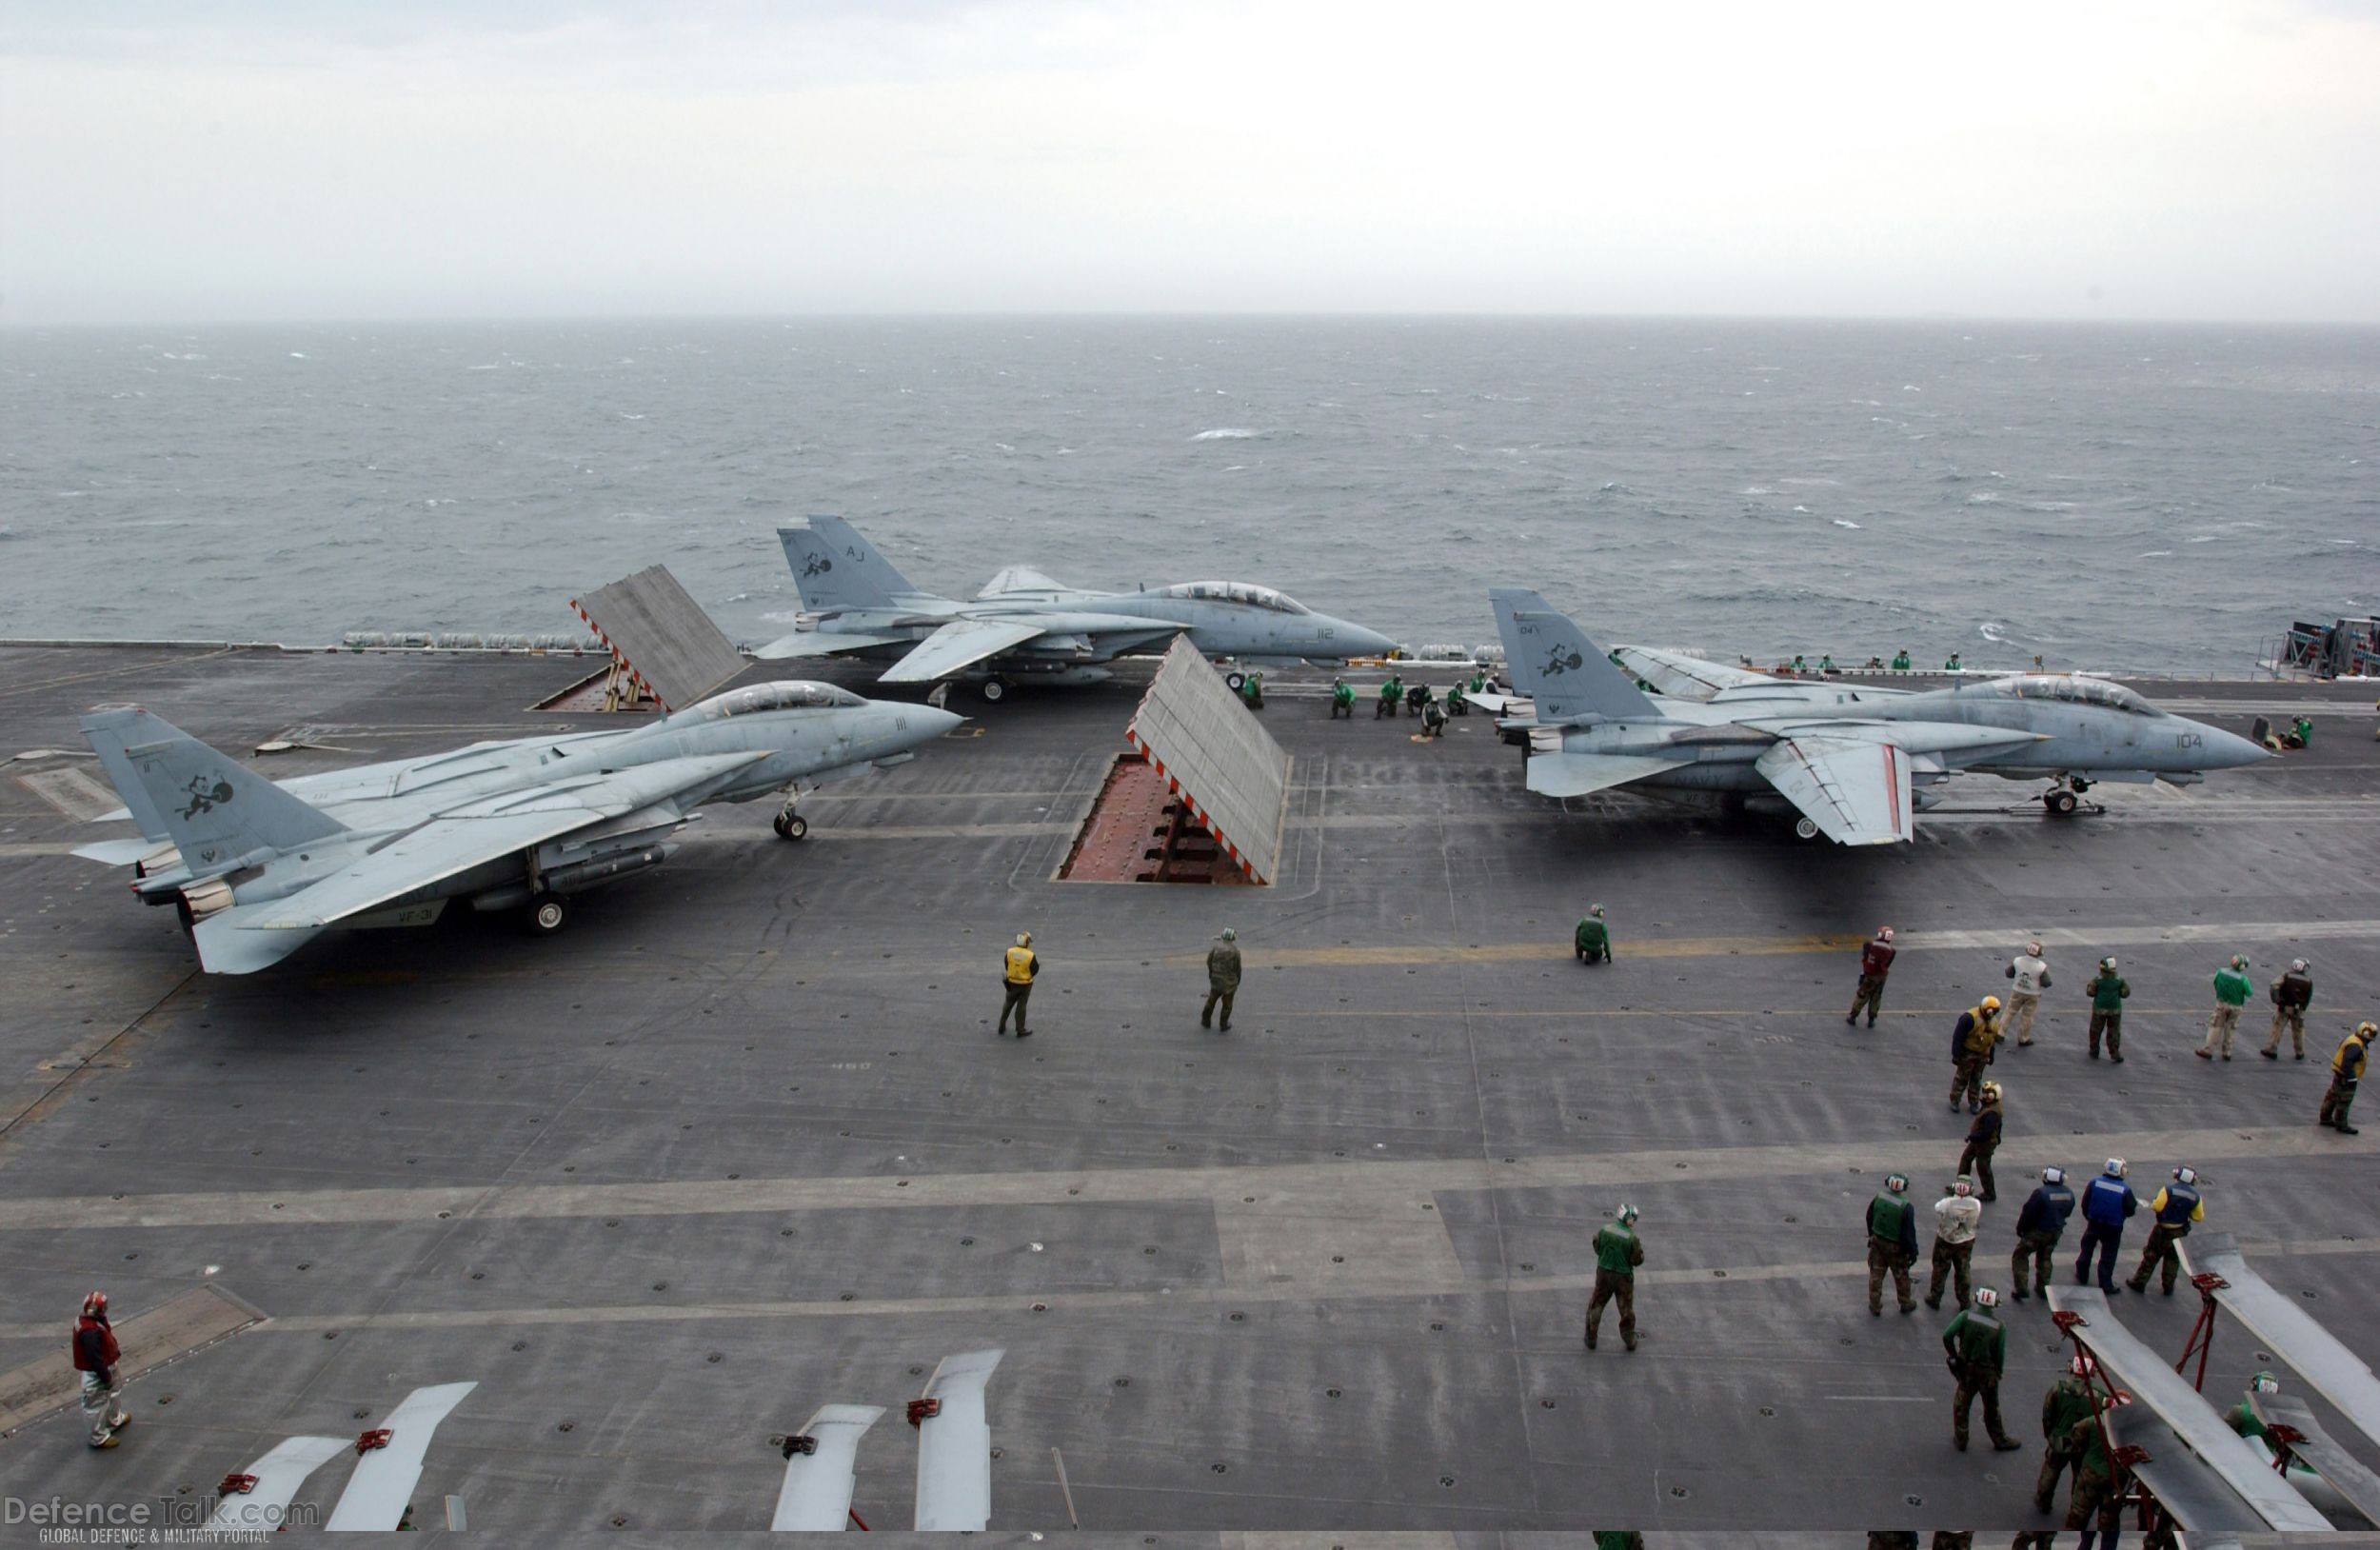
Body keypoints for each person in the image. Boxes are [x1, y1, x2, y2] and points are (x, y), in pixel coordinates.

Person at [1943, 1287, 2022, 1452]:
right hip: (1988, 1373)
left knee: (1962, 1403)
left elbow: (1947, 1335)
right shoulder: (1999, 1327)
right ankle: (1999, 1439)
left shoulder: (1966, 1316)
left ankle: (1961, 1438)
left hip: (1967, 1369)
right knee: (1992, 1407)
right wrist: (1998, 1372)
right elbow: (1999, 1354)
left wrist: (1954, 1354)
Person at [2060, 1392, 2129, 1548]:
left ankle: (2085, 1543)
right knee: (2109, 1526)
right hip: (2115, 1482)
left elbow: (2076, 1435)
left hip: (2090, 1475)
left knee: (2079, 1515)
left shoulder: (2093, 1422)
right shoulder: (2131, 1431)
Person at [2035, 1352, 2099, 1512]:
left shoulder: (2058, 1389)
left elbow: (2047, 1415)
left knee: (2051, 1469)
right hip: (2082, 1445)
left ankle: (2043, 1500)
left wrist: (2050, 1434)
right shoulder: (2097, 1397)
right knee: (2079, 1477)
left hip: (2059, 1440)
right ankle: (2076, 1508)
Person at [2126, 1165, 2205, 1294]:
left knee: (2151, 1255)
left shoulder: (2167, 1190)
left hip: (2162, 1230)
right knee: (2173, 1259)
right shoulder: (2196, 1196)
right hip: (2179, 1232)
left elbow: (2157, 1207)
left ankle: (2139, 1282)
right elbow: (2198, 1217)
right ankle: (2168, 1287)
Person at [71, 1290, 129, 1449]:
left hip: (108, 1365)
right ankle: (99, 1437)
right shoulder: (89, 1332)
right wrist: (106, 1376)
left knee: (114, 1393)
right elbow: (95, 1360)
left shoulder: (91, 1322)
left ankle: (114, 1419)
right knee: (95, 1405)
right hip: (97, 1372)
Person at [1583, 1203, 1644, 1352]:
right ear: (1628, 1219)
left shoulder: (1605, 1230)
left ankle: (1591, 1337)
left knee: (1597, 1304)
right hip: (1623, 1278)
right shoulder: (1632, 1238)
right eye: (1632, 1218)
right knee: (1626, 1309)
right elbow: (1637, 1260)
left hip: (1604, 1273)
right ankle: (1629, 1338)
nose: (1633, 1221)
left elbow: (1597, 1246)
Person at [2010, 1165, 2075, 1302]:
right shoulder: (2068, 1193)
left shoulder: (2041, 1193)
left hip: (2037, 1232)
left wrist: (2021, 1229)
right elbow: (2068, 1211)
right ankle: (2043, 1288)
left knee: (2020, 1255)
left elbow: (2028, 1213)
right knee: (2045, 1257)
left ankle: (2021, 1288)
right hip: (2055, 1231)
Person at [2073, 1158, 2136, 1293]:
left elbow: (2085, 1203)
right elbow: (2131, 1210)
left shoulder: (2094, 1183)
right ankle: (2105, 1283)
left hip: (2094, 1223)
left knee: (2086, 1248)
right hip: (2113, 1227)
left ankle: (2082, 1274)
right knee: (2108, 1255)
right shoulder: (2125, 1189)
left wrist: (2089, 1217)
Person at [1866, 1172, 1920, 1316]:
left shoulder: (1879, 1197)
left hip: (1877, 1242)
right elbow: (1909, 1232)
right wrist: (1913, 1251)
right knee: (1901, 1275)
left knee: (1876, 1274)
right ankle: (1905, 1302)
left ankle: (1875, 1304)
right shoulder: (1906, 1206)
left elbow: (1869, 1216)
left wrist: (1872, 1235)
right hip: (1896, 1247)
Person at [1927, 1177, 1982, 1310]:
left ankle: (1935, 1297)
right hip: (1965, 1241)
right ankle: (1964, 1300)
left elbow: (1937, 1208)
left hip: (1945, 1240)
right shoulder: (1976, 1204)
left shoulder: (1947, 1203)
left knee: (1940, 1269)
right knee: (1963, 1270)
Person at [1948, 997, 2004, 1112]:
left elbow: (1991, 1041)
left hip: (1982, 1055)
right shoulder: (1970, 1018)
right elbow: (1958, 1037)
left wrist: (1991, 1055)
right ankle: (1955, 1100)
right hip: (1968, 1053)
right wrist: (1956, 1055)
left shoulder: (1994, 1022)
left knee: (1977, 1079)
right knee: (1961, 1078)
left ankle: (1973, 1102)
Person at [2321, 1022, 2373, 1133]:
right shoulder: (2357, 1046)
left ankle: (2325, 1118)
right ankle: (2341, 1124)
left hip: (2339, 1073)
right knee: (2344, 1101)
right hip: (2346, 1077)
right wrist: (2351, 1078)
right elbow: (2347, 1062)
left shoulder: (2352, 1039)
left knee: (2332, 1096)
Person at [2197, 954, 2252, 1060]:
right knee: (2230, 1030)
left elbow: (2215, 983)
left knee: (2215, 1027)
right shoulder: (2244, 979)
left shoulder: (2220, 972)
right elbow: (2249, 993)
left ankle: (2208, 1050)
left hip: (2221, 1004)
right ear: (2242, 967)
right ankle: (2227, 1053)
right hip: (2236, 1007)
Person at [1956, 1083, 2004, 1201]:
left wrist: (1972, 1137)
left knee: (1983, 1167)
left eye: (1988, 1093)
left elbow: (1986, 1132)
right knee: (1966, 1158)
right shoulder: (1990, 1106)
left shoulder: (1992, 1113)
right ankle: (1962, 1184)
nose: (1985, 1095)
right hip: (1979, 1140)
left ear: (1994, 1095)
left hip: (1985, 1143)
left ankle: (1990, 1193)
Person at [2262, 959, 2313, 1060]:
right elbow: (2309, 996)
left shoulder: (2286, 976)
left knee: (2277, 1028)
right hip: (2299, 1010)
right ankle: (2300, 1052)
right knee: (2298, 1030)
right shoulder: (2308, 981)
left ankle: (2271, 1049)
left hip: (2284, 1007)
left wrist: (2277, 1000)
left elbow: (2274, 985)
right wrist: (2304, 1007)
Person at [1846, 925, 1895, 1027]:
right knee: (1876, 997)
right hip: (1881, 976)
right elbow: (1887, 964)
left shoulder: (1869, 945)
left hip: (1870, 975)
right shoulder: (1892, 951)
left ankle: (1853, 1017)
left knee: (1862, 995)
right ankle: (1871, 1020)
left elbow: (1865, 955)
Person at [2005, 942, 2051, 1046]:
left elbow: (2008, 973)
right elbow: (2047, 982)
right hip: (2033, 994)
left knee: (2009, 1011)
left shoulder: (2017, 960)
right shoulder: (2042, 967)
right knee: (2027, 1017)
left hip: (2017, 990)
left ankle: (2000, 1033)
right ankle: (2023, 1038)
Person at [2083, 958, 2130, 1062]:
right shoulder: (2119, 980)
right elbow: (2125, 993)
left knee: (2095, 1030)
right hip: (2115, 1009)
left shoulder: (2097, 980)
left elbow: (2090, 992)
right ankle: (2115, 1053)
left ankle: (2094, 1051)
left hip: (2099, 1009)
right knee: (2114, 1031)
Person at [998, 931, 1038, 1038]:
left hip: (1011, 983)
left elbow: (1006, 964)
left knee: (1007, 1004)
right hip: (1025, 985)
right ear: (1027, 942)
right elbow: (1035, 970)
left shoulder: (1010, 952)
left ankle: (1001, 1026)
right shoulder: (1030, 955)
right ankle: (1020, 1029)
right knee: (1021, 1007)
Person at [1201, 926, 1241, 1032]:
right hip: (1229, 983)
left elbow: (1209, 961)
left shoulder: (1215, 948)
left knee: (1211, 1001)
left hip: (1216, 980)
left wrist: (1211, 973)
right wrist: (1237, 980)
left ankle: (1206, 1020)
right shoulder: (1235, 952)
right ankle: (1223, 1024)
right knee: (1227, 1005)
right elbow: (1238, 968)